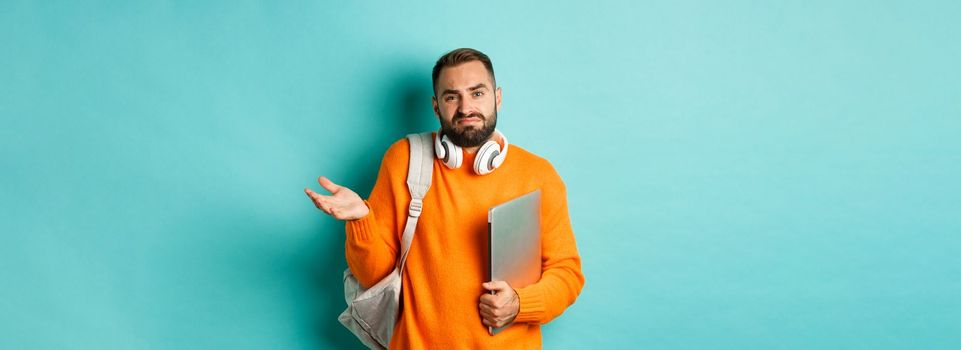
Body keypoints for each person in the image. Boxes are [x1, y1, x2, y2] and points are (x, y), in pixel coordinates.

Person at [305, 48, 584, 349]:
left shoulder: (538, 175)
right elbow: (376, 276)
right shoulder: (405, 159)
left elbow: (567, 274)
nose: (466, 107)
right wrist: (360, 220)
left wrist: (520, 304)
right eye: (452, 97)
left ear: (497, 97)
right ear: (436, 107)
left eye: (477, 93)